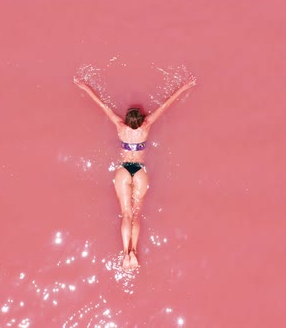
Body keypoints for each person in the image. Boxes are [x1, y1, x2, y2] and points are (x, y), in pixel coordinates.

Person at [74, 75, 197, 270]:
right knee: (137, 215)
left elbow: (102, 106)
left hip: (124, 170)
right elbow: (165, 105)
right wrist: (183, 87)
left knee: (126, 214)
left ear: (127, 119)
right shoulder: (146, 126)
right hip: (139, 171)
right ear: (140, 119)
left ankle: (125, 253)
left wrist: (85, 88)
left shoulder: (120, 126)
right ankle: (134, 252)